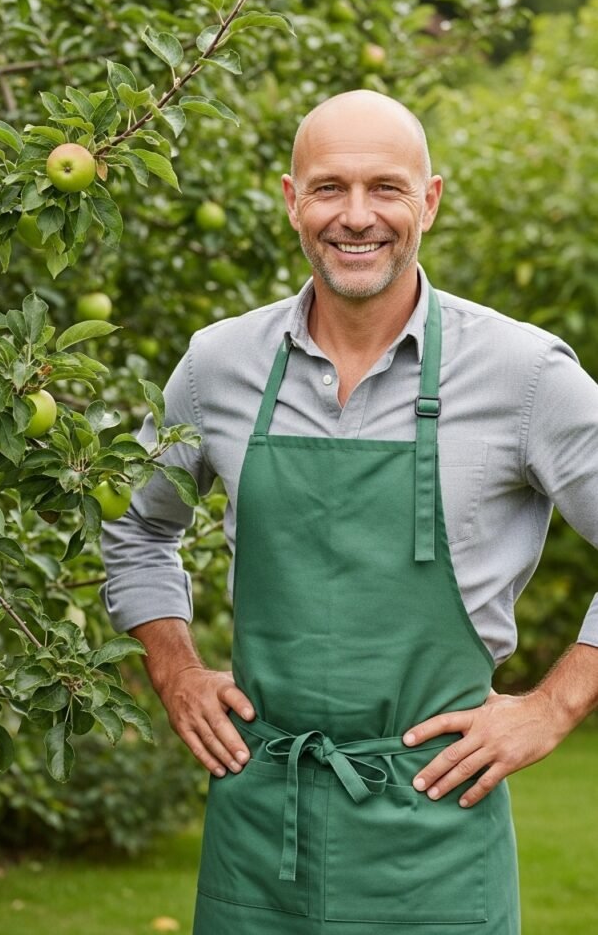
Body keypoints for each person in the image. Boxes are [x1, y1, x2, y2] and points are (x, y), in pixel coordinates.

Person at [100, 90, 598, 934]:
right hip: (260, 825)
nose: (356, 217)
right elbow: (135, 525)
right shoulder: (218, 365)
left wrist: (553, 706)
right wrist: (174, 666)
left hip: (438, 834)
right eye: (329, 187)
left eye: (386, 189)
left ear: (429, 202)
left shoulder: (524, 376)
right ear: (291, 200)